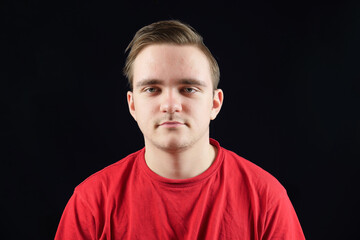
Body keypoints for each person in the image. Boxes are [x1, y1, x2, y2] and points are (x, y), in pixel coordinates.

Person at [55, 20, 305, 239]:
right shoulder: (92, 202)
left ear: (214, 103)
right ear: (132, 105)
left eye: (188, 89)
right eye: (152, 89)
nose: (170, 105)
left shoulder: (266, 198)